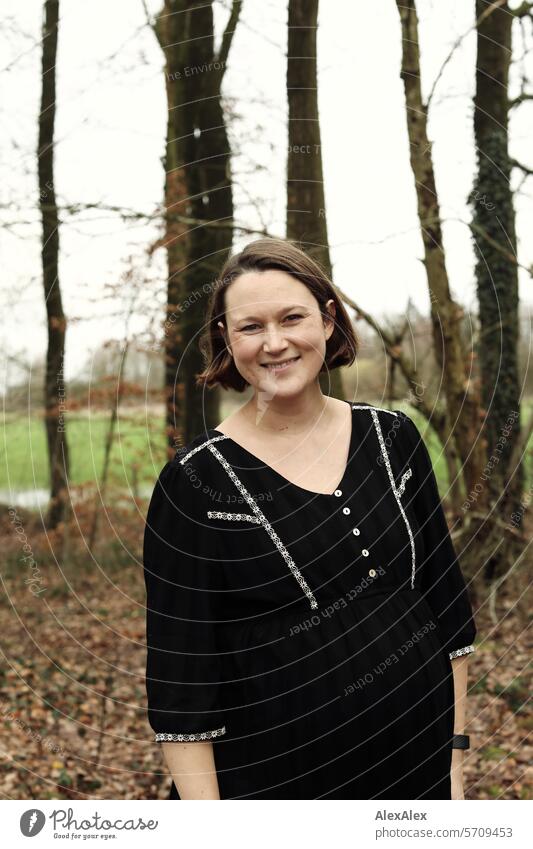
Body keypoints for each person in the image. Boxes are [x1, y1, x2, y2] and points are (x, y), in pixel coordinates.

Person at [143, 237, 477, 800]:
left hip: (417, 777)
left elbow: (447, 610)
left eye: (292, 317)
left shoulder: (393, 438)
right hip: (275, 791)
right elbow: (182, 685)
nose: (275, 343)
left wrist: (457, 761)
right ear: (226, 339)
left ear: (326, 321)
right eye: (251, 327)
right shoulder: (194, 483)